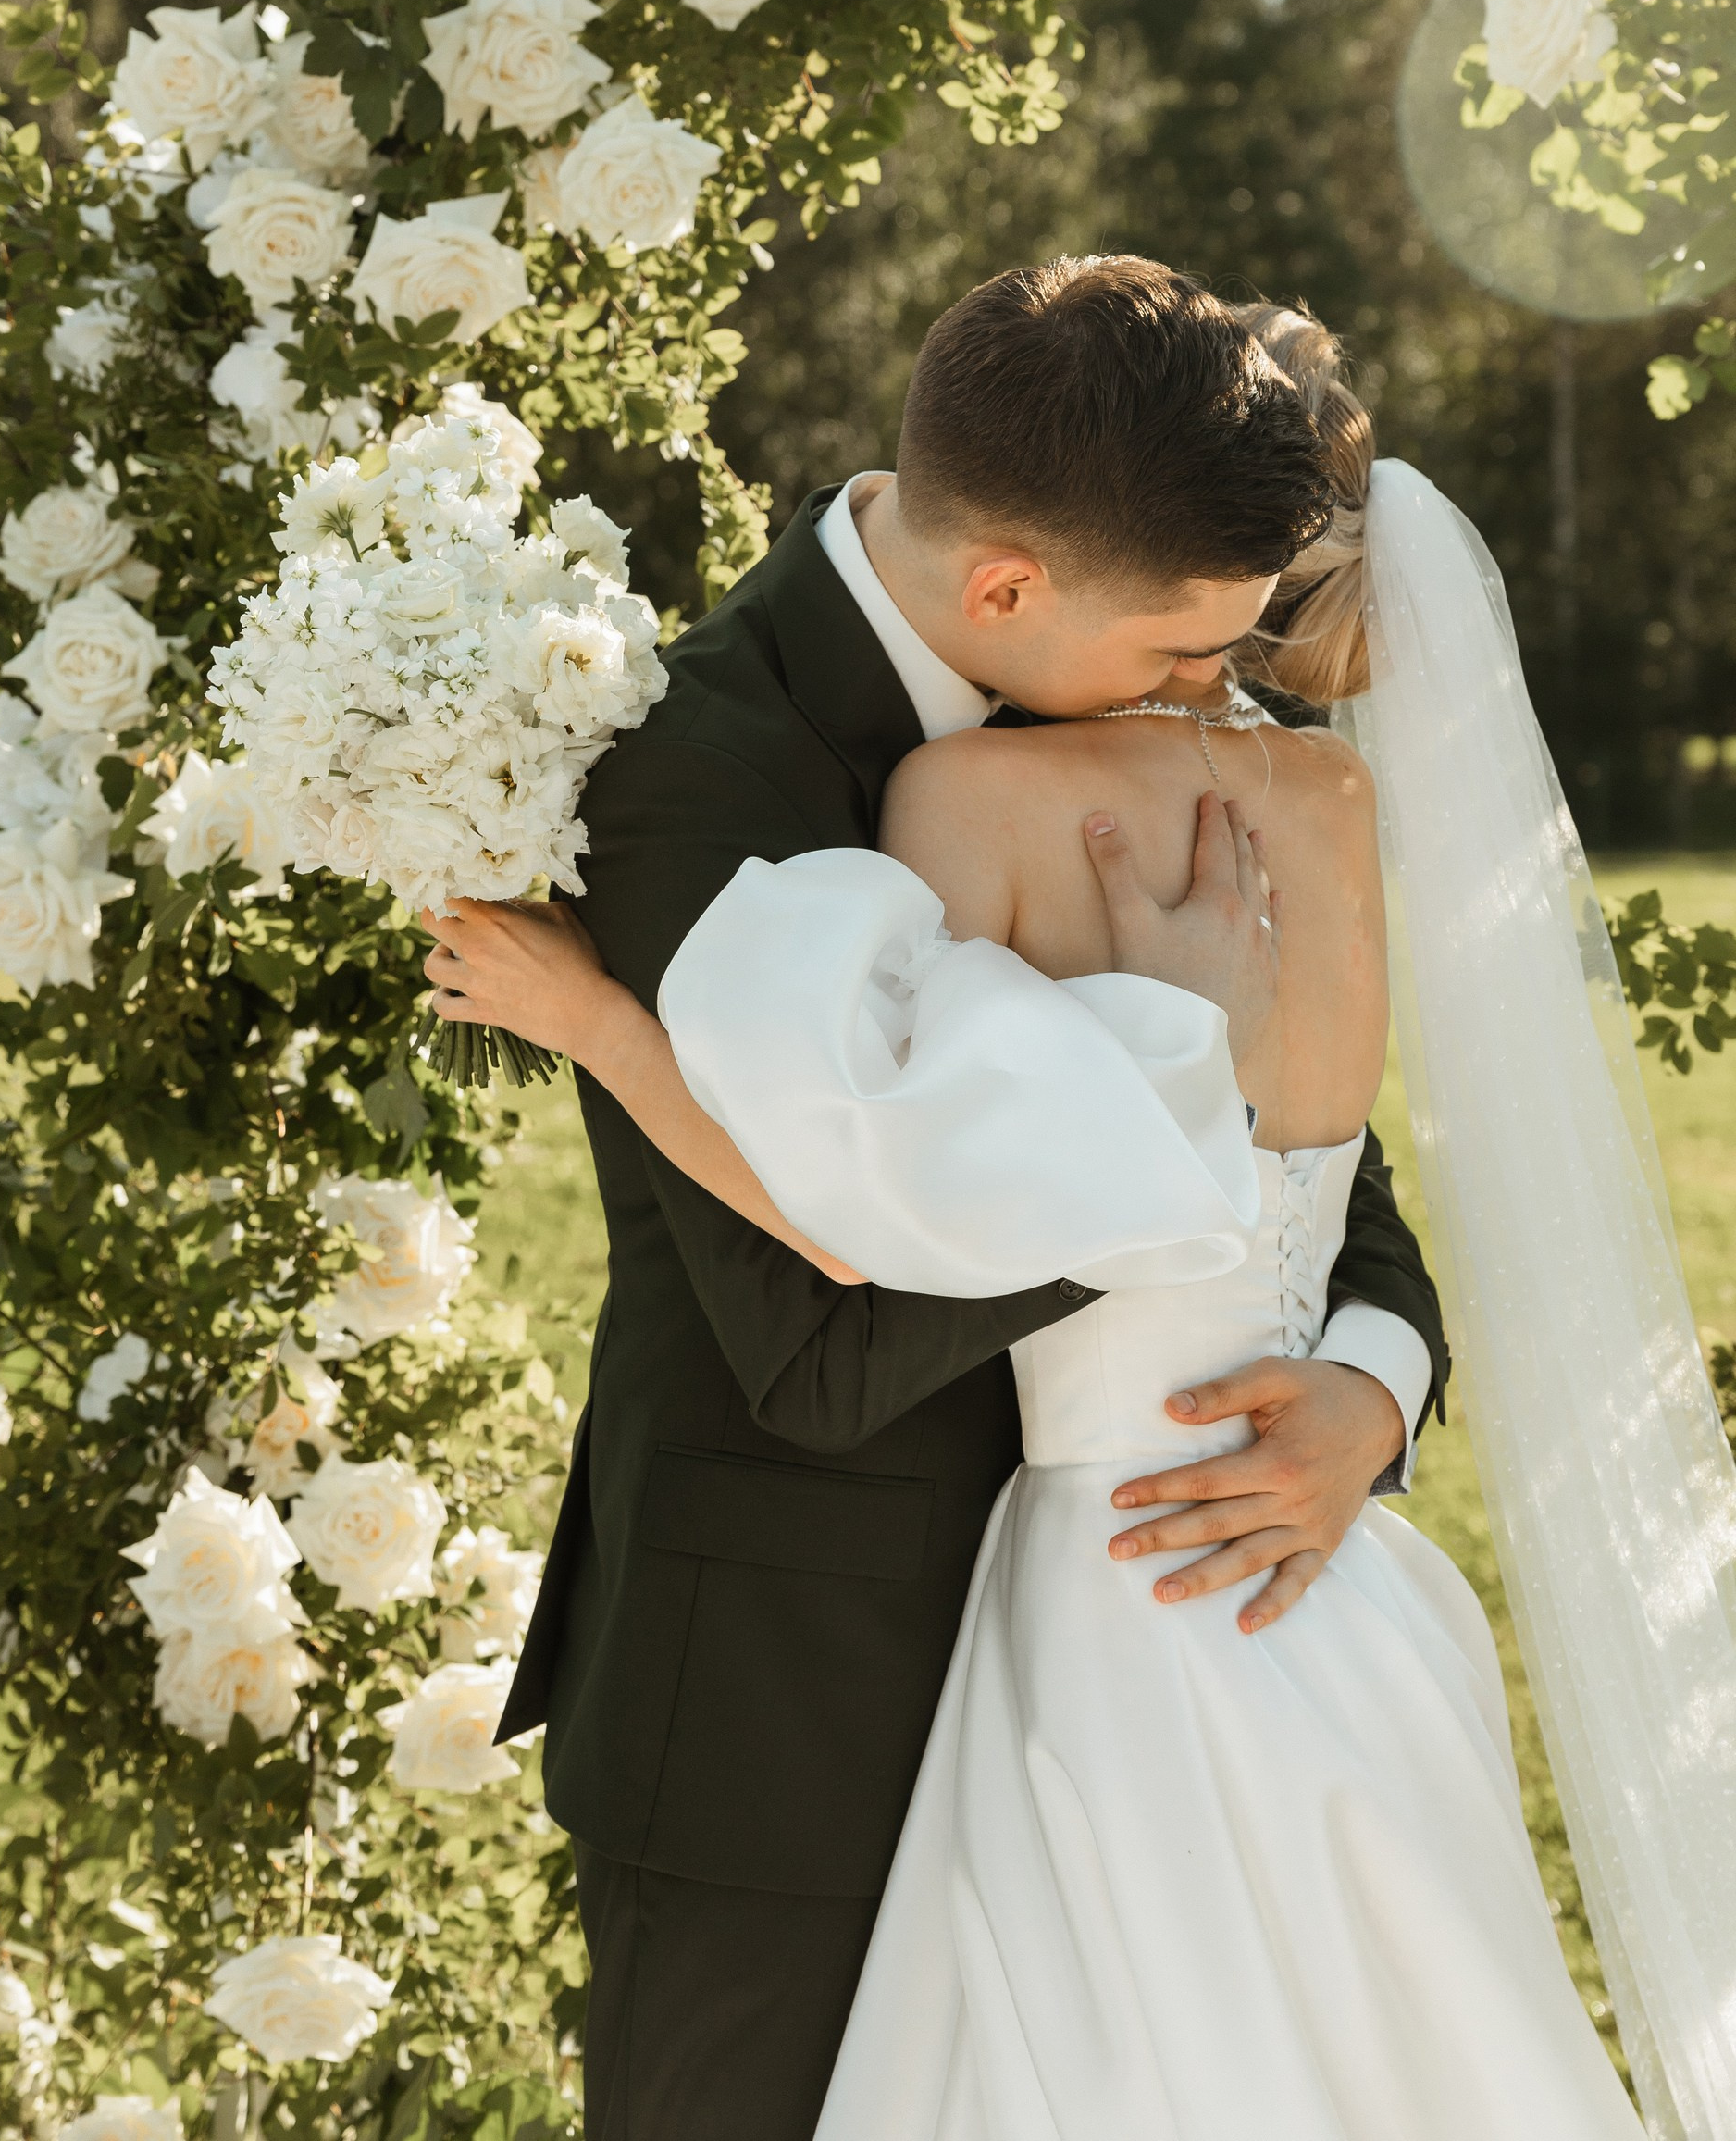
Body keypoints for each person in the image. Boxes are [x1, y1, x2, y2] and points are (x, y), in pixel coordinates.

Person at [425, 293, 1677, 2138]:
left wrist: (1370, 1384)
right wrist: (1170, 1103)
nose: (1228, 682)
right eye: (1188, 641)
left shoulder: (1142, 674)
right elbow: (823, 1346)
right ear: (1008, 587)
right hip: (796, 1712)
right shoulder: (701, 770)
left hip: (1200, 1618)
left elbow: (1331, 1182)